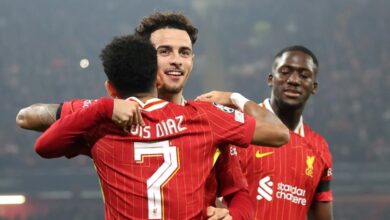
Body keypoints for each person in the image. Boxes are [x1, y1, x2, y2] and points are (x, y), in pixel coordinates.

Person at [16, 11, 256, 219]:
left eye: (184, 53)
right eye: (164, 51)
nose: (176, 61)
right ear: (145, 58)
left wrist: (233, 216)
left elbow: (238, 193)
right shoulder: (106, 115)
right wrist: (101, 109)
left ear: (192, 60)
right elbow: (27, 117)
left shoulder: (208, 119)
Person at [197, 45, 334, 220]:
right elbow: (203, 192)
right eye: (285, 72)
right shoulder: (237, 127)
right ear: (271, 79)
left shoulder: (319, 146)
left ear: (314, 86)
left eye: (304, 75)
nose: (294, 80)